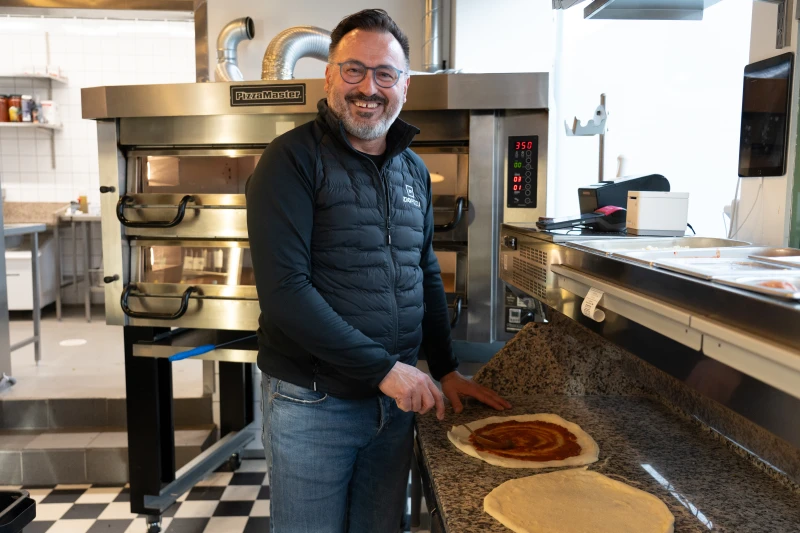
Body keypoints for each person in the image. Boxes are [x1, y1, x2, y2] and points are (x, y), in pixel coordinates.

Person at [245, 9, 511, 532]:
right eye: (354, 70)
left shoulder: (411, 169)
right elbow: (284, 292)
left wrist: (446, 366)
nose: (369, 87)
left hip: (392, 404)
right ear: (329, 76)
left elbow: (424, 270)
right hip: (313, 403)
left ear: (404, 86)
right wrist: (386, 369)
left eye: (384, 73)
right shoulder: (290, 160)